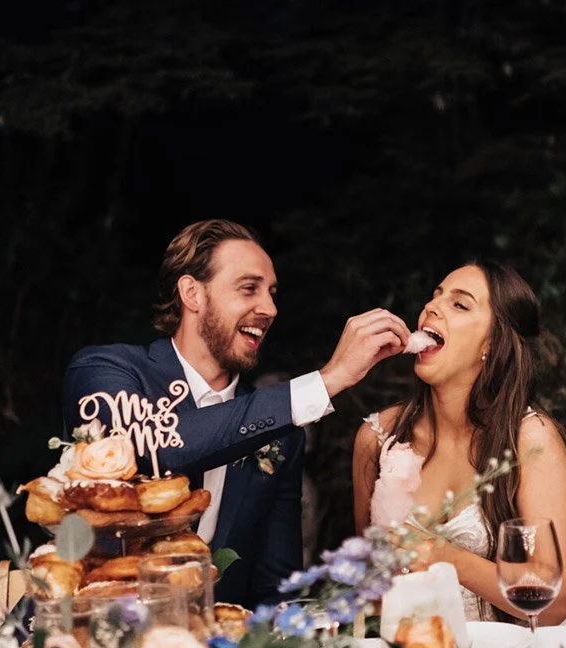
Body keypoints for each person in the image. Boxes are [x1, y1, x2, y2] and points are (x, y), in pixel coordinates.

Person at [63, 220, 410, 609]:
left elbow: (276, 589)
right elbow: (160, 446)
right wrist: (329, 379)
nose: (270, 309)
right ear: (192, 293)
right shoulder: (105, 371)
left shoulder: (282, 435)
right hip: (85, 628)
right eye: (249, 288)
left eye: (271, 293)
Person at [352, 261, 566, 624]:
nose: (431, 307)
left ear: (492, 343)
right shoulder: (378, 439)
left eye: (459, 304)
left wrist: (444, 557)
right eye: (435, 296)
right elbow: (370, 589)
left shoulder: (532, 441)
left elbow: (553, 605)